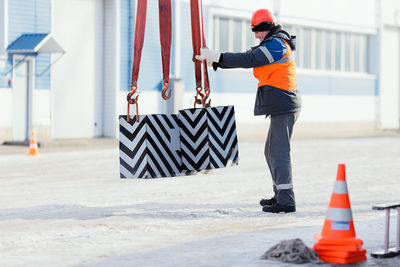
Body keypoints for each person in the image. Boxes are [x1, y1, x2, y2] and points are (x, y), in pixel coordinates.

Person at [195, 8, 301, 213]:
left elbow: (250, 60)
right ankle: (280, 194)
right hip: (282, 104)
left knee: (279, 153)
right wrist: (217, 61)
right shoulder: (272, 43)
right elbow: (248, 56)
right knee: (271, 151)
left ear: (267, 28)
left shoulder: (278, 44)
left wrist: (218, 55)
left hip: (285, 104)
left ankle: (286, 201)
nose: (255, 34)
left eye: (258, 30)